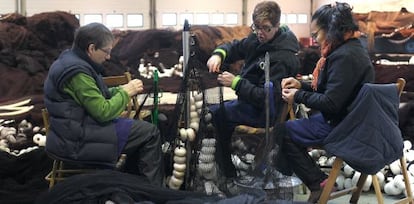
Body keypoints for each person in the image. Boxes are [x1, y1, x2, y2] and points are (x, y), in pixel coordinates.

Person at [43, 23, 164, 187]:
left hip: (69, 129)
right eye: (106, 51)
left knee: (143, 128)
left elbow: (96, 95)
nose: (108, 57)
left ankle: (134, 183)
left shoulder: (70, 60)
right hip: (77, 138)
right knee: (150, 132)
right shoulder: (78, 73)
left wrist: (118, 90)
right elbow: (103, 112)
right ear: (91, 48)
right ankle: (152, 191)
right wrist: (125, 92)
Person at [276, 2, 375, 203]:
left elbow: (330, 102)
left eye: (317, 33)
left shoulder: (344, 57)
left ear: (331, 30)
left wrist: (297, 96)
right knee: (294, 128)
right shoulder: (351, 49)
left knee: (282, 132)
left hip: (344, 126)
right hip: (352, 120)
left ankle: (318, 183)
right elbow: (334, 90)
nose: (315, 38)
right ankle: (316, 180)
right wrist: (301, 85)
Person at [206, 1, 300, 185]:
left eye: (265, 28)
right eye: (256, 27)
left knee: (216, 115)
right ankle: (228, 164)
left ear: (277, 26)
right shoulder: (257, 39)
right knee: (215, 112)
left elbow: (267, 99)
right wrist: (218, 54)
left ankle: (227, 171)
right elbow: (234, 47)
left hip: (266, 112)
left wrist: (236, 83)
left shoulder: (283, 57)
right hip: (251, 102)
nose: (259, 33)